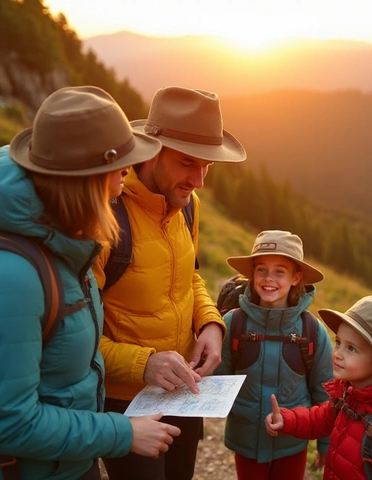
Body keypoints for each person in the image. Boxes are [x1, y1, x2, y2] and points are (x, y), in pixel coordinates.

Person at [0, 86, 181, 480]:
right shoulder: (10, 277)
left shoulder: (67, 240)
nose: (129, 170)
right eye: (120, 162)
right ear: (86, 178)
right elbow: (9, 423)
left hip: (65, 464)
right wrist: (122, 433)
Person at [92, 86, 247, 480]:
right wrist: (144, 364)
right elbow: (71, 339)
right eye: (186, 164)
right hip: (124, 402)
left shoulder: (187, 205)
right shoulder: (104, 218)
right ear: (150, 150)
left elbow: (189, 276)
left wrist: (210, 323)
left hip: (185, 392)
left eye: (207, 166)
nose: (198, 180)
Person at [265, 295, 372, 480]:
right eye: (339, 342)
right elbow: (320, 419)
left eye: (351, 349)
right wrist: (287, 420)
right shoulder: (350, 397)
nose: (337, 354)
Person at [215, 230, 334, 480]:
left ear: (295, 278)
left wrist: (325, 445)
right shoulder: (232, 324)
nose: (269, 279)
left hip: (292, 443)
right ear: (251, 275)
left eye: (280, 271)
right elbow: (216, 380)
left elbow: (326, 392)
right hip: (245, 440)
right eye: (261, 270)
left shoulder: (312, 331)